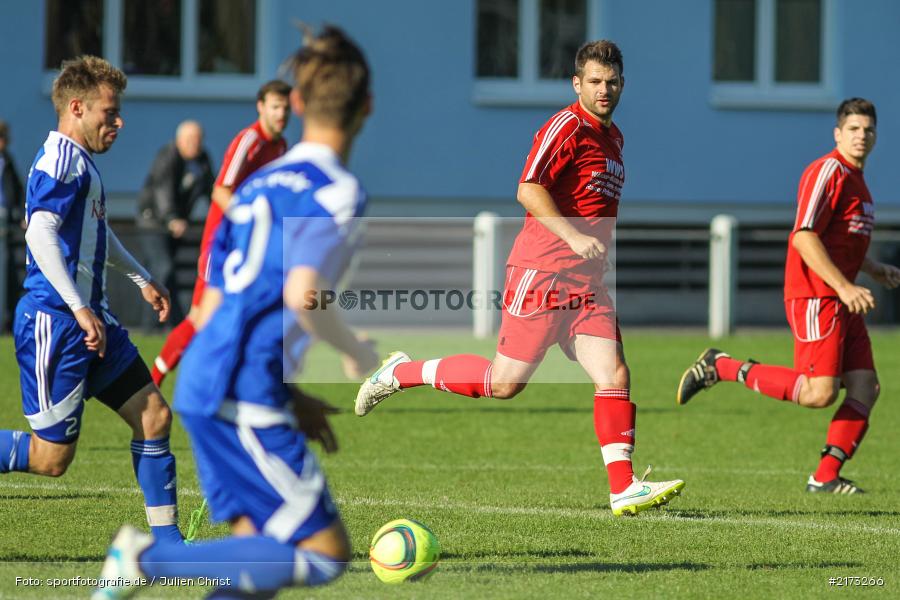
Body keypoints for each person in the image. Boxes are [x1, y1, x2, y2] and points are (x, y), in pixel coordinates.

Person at [94, 26, 379, 599]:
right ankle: (149, 558)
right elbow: (303, 293)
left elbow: (221, 302)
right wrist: (356, 351)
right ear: (367, 108)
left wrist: (291, 397)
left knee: (255, 556)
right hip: (240, 389)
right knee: (322, 554)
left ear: (295, 104)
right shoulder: (338, 192)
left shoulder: (259, 185)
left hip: (208, 377)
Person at [355, 40, 685, 516]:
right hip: (543, 272)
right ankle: (401, 373)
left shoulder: (614, 138)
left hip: (586, 284)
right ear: (577, 84)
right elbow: (528, 189)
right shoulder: (565, 126)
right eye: (594, 82)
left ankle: (624, 487)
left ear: (622, 85)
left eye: (611, 82)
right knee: (505, 382)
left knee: (613, 371)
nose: (603, 90)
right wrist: (572, 238)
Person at [0, 56, 186, 544]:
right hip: (57, 322)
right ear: (77, 108)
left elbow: (96, 234)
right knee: (50, 459)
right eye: (110, 112)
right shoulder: (61, 160)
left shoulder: (82, 164)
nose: (118, 121)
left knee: (154, 416)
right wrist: (79, 309)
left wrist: (141, 277)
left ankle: (168, 548)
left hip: (90, 322)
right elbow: (39, 233)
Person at [677, 98, 900, 494]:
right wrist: (844, 286)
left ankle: (826, 477)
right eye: (853, 129)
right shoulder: (827, 171)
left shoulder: (858, 180)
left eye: (867, 130)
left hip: (841, 298)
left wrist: (872, 269)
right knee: (819, 394)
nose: (861, 136)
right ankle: (721, 366)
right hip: (817, 295)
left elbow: (840, 239)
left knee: (866, 386)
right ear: (837, 134)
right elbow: (803, 236)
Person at [151, 79, 292, 386]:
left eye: (286, 107)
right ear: (261, 107)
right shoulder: (249, 140)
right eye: (275, 106)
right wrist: (252, 221)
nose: (282, 113)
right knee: (200, 317)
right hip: (223, 243)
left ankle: (237, 383)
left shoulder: (280, 146)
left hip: (250, 246)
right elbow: (220, 191)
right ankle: (153, 379)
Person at [136, 120, 214, 328]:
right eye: (189, 139)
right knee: (161, 269)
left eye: (197, 139)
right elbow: (163, 189)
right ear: (179, 140)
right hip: (152, 222)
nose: (193, 144)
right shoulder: (167, 156)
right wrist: (171, 217)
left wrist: (222, 216)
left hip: (175, 226)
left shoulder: (202, 161)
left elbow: (212, 191)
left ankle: (174, 324)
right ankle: (154, 326)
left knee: (163, 273)